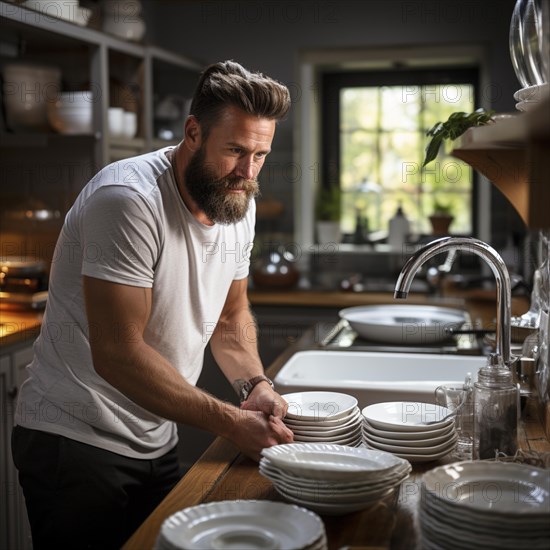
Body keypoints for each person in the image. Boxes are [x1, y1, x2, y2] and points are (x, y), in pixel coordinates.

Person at [12, 60, 294, 549]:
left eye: (260, 155)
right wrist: (231, 422)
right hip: (76, 438)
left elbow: (230, 320)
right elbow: (118, 352)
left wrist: (256, 385)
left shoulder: (237, 204)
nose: (247, 172)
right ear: (192, 132)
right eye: (234, 150)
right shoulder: (128, 200)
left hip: (155, 433)